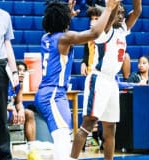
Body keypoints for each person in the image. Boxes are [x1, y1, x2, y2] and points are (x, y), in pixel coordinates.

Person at [34, 0, 119, 160]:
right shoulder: (64, 39)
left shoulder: (47, 37)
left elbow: (61, 28)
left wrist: (68, 15)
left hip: (49, 93)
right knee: (63, 139)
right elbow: (94, 34)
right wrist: (108, 9)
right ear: (63, 21)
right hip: (52, 95)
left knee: (64, 136)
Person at [70, 0, 142, 159]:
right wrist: (114, 5)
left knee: (110, 129)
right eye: (119, 13)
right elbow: (113, 10)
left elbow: (137, 11)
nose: (122, 15)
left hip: (111, 82)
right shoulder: (105, 30)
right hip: (98, 79)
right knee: (88, 124)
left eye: (123, 13)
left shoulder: (123, 29)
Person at [81, 5, 131, 80]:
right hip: (93, 73)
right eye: (92, 19)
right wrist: (84, 62)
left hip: (103, 73)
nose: (93, 21)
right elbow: (87, 50)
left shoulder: (106, 33)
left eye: (96, 19)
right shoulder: (90, 34)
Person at [0, 8, 19, 159]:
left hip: (0, 66)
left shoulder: (5, 16)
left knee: (0, 115)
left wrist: (14, 72)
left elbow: (8, 45)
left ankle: (4, 154)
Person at [7, 61, 36, 142]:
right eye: (19, 70)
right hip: (3, 112)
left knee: (29, 113)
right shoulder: (5, 82)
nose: (22, 73)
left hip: (10, 112)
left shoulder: (20, 85)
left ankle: (32, 146)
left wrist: (21, 110)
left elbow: (18, 102)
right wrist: (11, 109)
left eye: (24, 71)